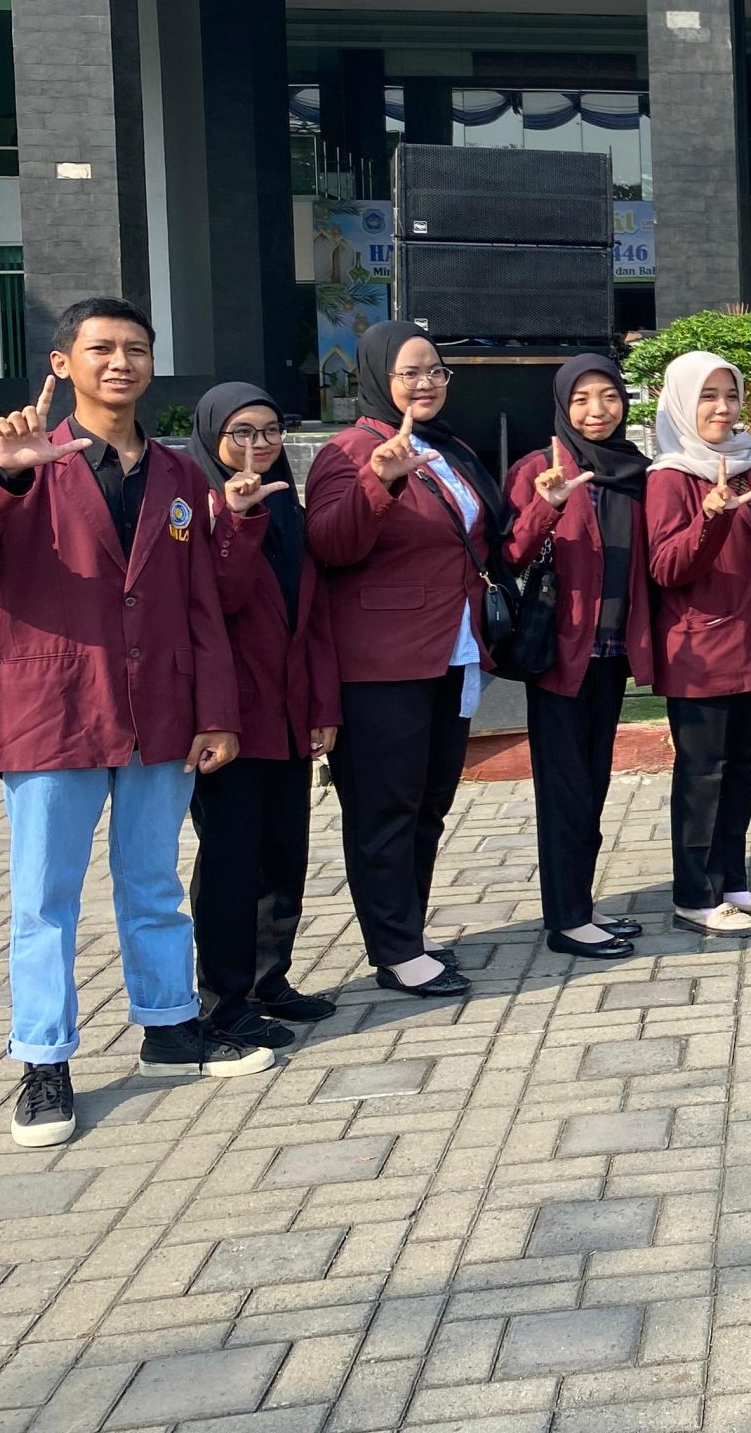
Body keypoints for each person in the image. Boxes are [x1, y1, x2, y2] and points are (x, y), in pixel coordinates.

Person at [0, 301, 267, 1149]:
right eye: (100, 349)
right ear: (63, 364)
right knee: (45, 898)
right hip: (51, 708)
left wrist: (216, 712)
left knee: (153, 882)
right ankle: (43, 1058)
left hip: (159, 712)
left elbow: (201, 604)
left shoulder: (178, 475)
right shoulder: (24, 463)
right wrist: (3, 472)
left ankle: (170, 1030)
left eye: (136, 349)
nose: (119, 362)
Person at [305, 320, 502, 1000]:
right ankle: (393, 951)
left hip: (453, 652)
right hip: (381, 666)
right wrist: (378, 484)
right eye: (409, 372)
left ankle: (407, 931)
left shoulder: (448, 449)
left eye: (436, 371)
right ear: (377, 378)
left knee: (427, 805)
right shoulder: (348, 451)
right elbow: (330, 545)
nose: (425, 383)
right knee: (384, 810)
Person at [187, 382, 340, 1047]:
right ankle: (223, 996)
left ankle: (268, 979)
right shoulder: (193, 508)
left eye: (269, 430)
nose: (257, 445)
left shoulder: (290, 510)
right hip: (226, 719)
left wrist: (321, 705)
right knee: (230, 858)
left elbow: (316, 617)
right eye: (240, 433)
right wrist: (235, 519)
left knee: (284, 851)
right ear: (213, 437)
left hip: (286, 710)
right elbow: (215, 601)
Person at [646, 351, 751, 938]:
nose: (720, 407)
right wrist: (709, 516)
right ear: (683, 402)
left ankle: (731, 883)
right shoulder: (669, 476)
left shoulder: (748, 463)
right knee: (702, 773)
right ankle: (694, 894)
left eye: (729, 395)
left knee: (741, 768)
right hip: (700, 650)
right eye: (707, 396)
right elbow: (666, 567)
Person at [506, 355, 654, 961]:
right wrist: (547, 506)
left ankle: (581, 904)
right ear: (563, 407)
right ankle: (566, 919)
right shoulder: (539, 468)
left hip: (613, 651)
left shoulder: (635, 470)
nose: (598, 411)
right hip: (561, 652)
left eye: (610, 397)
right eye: (583, 400)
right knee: (564, 787)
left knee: (592, 781)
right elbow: (508, 555)